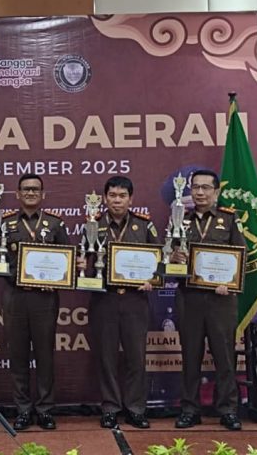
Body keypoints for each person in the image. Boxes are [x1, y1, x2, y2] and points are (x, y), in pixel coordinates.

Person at [0, 173, 69, 431]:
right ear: (17, 194)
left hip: (45, 298)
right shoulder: (4, 223)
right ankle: (23, 409)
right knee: (17, 355)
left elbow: (68, 260)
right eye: (26, 189)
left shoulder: (55, 224)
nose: (30, 193)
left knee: (45, 355)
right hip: (15, 296)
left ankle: (45, 409)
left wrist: (58, 279)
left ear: (43, 194)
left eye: (35, 189)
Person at [78, 176, 159, 429]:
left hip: (135, 300)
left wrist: (153, 280)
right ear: (105, 198)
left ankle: (136, 409)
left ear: (131, 199)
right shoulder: (93, 225)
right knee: (106, 357)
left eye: (122, 196)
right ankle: (110, 408)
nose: (117, 200)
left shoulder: (144, 226)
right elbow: (82, 260)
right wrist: (80, 265)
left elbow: (160, 262)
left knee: (136, 358)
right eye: (112, 195)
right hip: (105, 299)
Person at [170, 169, 246, 431]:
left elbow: (242, 256)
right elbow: (167, 258)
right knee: (190, 355)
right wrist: (173, 260)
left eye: (205, 188)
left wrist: (230, 282)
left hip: (221, 300)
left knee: (224, 355)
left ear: (216, 192)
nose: (200, 192)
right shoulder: (180, 219)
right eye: (195, 187)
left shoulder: (229, 219)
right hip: (189, 298)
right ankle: (190, 409)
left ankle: (227, 409)